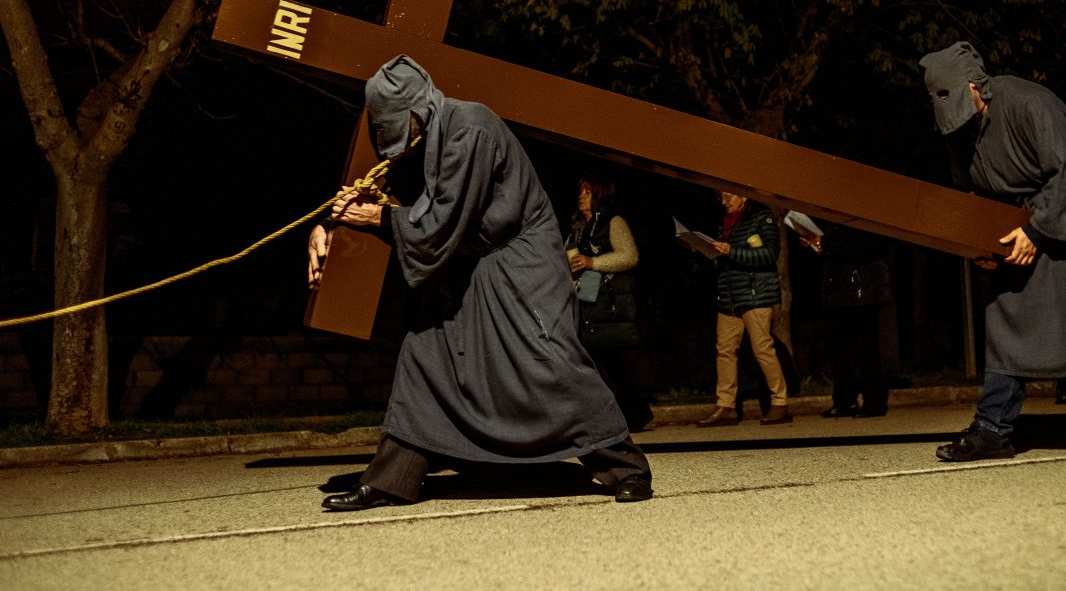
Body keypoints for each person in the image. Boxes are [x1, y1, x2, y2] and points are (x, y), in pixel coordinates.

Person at [310, 55, 652, 509]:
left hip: (521, 268)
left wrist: (377, 217)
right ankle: (392, 478)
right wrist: (327, 225)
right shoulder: (427, 135)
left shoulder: (469, 128)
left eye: (393, 126)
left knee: (549, 363)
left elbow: (437, 223)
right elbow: (390, 199)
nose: (389, 140)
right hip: (474, 267)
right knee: (426, 351)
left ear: (414, 112)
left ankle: (626, 467)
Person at [919, 41, 1066, 460]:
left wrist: (1039, 230)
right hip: (1018, 220)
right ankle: (993, 429)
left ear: (976, 86)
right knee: (1007, 317)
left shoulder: (1029, 103)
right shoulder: (958, 132)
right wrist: (981, 243)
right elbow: (970, 194)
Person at [566, 175, 655, 432]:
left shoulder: (613, 222)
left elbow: (629, 256)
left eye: (587, 191)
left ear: (600, 194)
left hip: (611, 303)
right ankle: (624, 415)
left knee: (614, 362)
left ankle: (636, 415)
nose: (581, 195)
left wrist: (593, 262)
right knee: (598, 360)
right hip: (589, 300)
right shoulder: (577, 227)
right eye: (580, 190)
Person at [696, 192, 793, 426]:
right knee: (725, 350)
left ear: (743, 196)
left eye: (729, 196)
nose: (724, 201)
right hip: (729, 294)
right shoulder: (725, 220)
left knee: (762, 348)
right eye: (720, 197)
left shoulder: (761, 217)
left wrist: (731, 251)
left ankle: (780, 402)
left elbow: (769, 254)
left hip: (755, 294)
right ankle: (726, 405)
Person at [818, 224, 893, 419]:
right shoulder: (835, 217)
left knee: (866, 348)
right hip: (837, 289)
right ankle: (844, 401)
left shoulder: (867, 216)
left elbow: (866, 248)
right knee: (838, 349)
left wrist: (825, 244)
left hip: (863, 289)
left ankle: (873, 402)